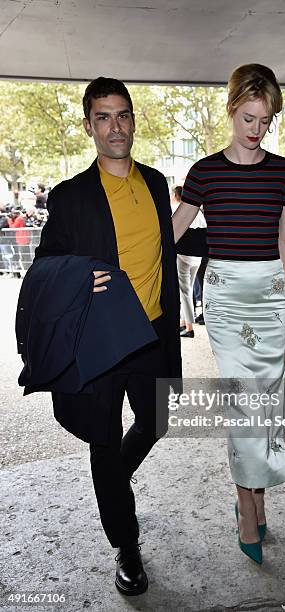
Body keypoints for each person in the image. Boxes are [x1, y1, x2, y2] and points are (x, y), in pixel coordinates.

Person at [32, 77, 182, 595]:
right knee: (102, 439)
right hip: (99, 339)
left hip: (151, 332)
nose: (115, 127)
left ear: (134, 121)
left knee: (156, 420)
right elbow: (45, 264)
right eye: (103, 117)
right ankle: (126, 543)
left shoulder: (158, 183)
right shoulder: (71, 196)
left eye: (123, 115)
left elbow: (169, 241)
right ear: (89, 125)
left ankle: (111, 480)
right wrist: (76, 275)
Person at [172, 64, 285, 564]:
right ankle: (245, 507)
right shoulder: (205, 172)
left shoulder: (284, 171)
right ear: (232, 109)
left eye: (265, 120)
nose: (256, 130)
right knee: (243, 406)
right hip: (227, 298)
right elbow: (173, 229)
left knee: (268, 406)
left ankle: (257, 496)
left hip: (272, 292)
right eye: (248, 117)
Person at [171, 185, 206, 338]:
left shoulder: (177, 210)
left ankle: (189, 327)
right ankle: (183, 323)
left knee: (184, 292)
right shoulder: (198, 210)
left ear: (176, 195)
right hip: (197, 256)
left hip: (183, 255)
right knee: (189, 289)